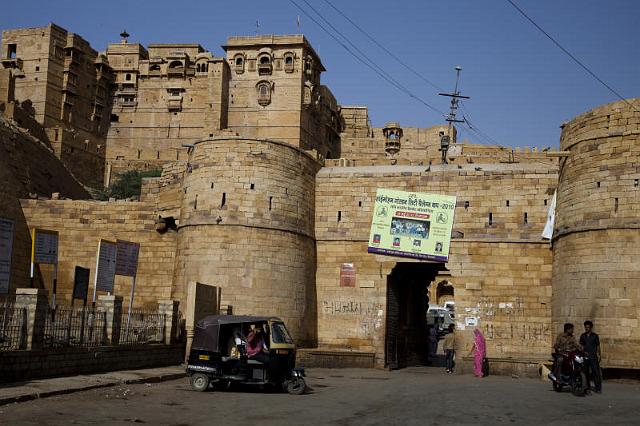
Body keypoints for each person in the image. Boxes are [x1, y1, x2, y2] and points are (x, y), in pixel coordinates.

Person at [580, 320, 602, 393]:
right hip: (585, 357)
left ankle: (598, 388)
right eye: (585, 327)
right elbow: (581, 346)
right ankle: (587, 388)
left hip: (593, 356)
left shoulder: (595, 336)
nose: (587, 329)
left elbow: (598, 346)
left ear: (591, 328)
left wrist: (599, 355)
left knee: (596, 372)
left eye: (588, 327)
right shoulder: (582, 336)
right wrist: (582, 353)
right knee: (586, 373)